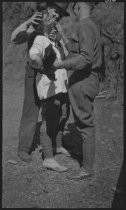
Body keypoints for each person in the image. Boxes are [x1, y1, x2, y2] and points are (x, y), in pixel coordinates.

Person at [11, 2, 70, 162]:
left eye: (60, 14)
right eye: (56, 11)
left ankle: (52, 145)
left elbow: (64, 54)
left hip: (50, 74)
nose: (57, 15)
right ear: (49, 8)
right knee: (31, 109)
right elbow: (14, 39)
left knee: (55, 109)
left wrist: (57, 40)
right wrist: (28, 22)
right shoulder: (35, 22)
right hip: (33, 71)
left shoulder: (57, 30)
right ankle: (23, 149)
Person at [54, 2, 102, 180]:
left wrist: (61, 64)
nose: (73, 11)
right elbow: (78, 51)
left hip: (84, 79)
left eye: (74, 7)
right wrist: (63, 38)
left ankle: (87, 168)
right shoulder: (90, 25)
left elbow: (85, 58)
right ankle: (86, 161)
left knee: (85, 123)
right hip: (86, 79)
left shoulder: (84, 25)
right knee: (84, 122)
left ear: (79, 7)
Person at [29, 9, 71, 172]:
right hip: (49, 89)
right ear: (42, 22)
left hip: (61, 86)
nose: (55, 18)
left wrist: (60, 38)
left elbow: (68, 57)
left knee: (63, 114)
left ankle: (57, 145)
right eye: (51, 16)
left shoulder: (54, 42)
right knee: (49, 119)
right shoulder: (39, 39)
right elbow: (34, 56)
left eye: (56, 17)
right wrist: (42, 65)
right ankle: (48, 158)